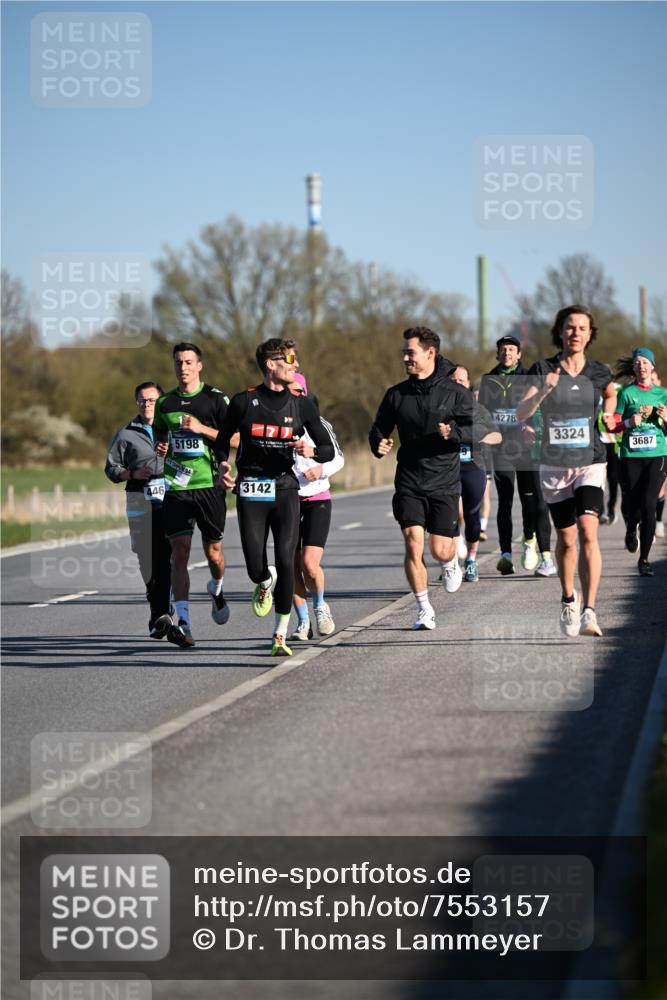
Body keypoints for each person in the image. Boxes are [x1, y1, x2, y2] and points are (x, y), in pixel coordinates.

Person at [215, 339, 335, 657]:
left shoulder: (302, 405)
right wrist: (223, 465)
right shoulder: (243, 401)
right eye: (291, 359)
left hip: (285, 487)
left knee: (286, 559)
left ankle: (280, 634)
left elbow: (328, 449)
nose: (297, 365)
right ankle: (264, 580)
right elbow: (222, 440)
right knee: (256, 566)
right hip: (252, 487)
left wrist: (312, 450)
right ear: (271, 364)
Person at [517, 305, 617, 638]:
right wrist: (545, 390)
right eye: (570, 327)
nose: (575, 333)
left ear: (590, 335)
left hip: (591, 460)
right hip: (554, 464)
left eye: (582, 328)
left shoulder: (599, 371)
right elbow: (521, 412)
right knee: (567, 538)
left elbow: (610, 394)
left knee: (588, 530)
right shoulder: (542, 369)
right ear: (560, 332)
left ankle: (590, 610)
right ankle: (568, 599)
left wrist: (608, 416)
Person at [369, 327, 476, 631]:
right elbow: (378, 428)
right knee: (413, 542)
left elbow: (479, 429)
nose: (405, 358)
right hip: (409, 480)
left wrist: (454, 433)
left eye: (410, 352)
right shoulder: (396, 394)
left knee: (440, 549)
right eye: (404, 352)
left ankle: (449, 561)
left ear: (430, 353)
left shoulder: (455, 393)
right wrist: (378, 443)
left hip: (443, 481)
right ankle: (424, 608)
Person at [153, 342, 233, 648]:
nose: (183, 367)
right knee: (180, 553)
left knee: (214, 553)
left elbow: (236, 438)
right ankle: (184, 623)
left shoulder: (216, 399)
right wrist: (161, 447)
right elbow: (160, 435)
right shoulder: (165, 403)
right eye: (178, 362)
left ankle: (217, 587)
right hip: (177, 488)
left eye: (188, 362)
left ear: (199, 366)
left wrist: (202, 429)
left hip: (209, 486)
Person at [479, 335, 553, 576]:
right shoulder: (489, 380)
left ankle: (530, 540)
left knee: (530, 500)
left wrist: (530, 427)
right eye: (503, 349)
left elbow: (537, 407)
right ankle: (506, 555)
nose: (507, 353)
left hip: (526, 448)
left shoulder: (528, 377)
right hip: (501, 448)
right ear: (497, 353)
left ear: (519, 354)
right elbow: (484, 413)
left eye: (511, 349)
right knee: (505, 500)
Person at [105, 382, 173, 639]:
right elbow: (111, 469)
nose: (147, 405)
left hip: (170, 497)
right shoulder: (125, 434)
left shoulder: (172, 429)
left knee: (167, 554)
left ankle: (161, 612)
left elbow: (191, 459)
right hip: (138, 497)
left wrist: (171, 452)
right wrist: (132, 473)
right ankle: (156, 601)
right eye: (142, 400)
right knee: (145, 556)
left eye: (152, 400)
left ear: (160, 402)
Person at [289, 372, 345, 641]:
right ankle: (302, 622)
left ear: (305, 394)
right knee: (290, 565)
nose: (293, 396)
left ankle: (320, 606)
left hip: (317, 499)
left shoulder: (318, 423)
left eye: (298, 391)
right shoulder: (275, 423)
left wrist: (320, 469)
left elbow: (338, 458)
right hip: (287, 499)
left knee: (309, 564)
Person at [612, 348, 667, 575]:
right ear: (633, 368)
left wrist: (665, 418)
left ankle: (644, 560)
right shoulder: (626, 393)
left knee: (649, 504)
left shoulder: (663, 394)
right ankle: (630, 528)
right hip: (631, 456)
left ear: (652, 366)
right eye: (637, 363)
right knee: (632, 506)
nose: (641, 366)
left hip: (657, 455)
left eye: (645, 362)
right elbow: (613, 425)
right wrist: (628, 422)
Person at [449, 366, 501, 582]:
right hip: (447, 469)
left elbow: (497, 435)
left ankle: (471, 560)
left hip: (473, 467)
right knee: (451, 514)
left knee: (471, 515)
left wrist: (480, 438)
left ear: (468, 383)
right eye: (454, 380)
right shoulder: (439, 408)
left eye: (461, 380)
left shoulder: (478, 409)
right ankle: (452, 561)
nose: (458, 383)